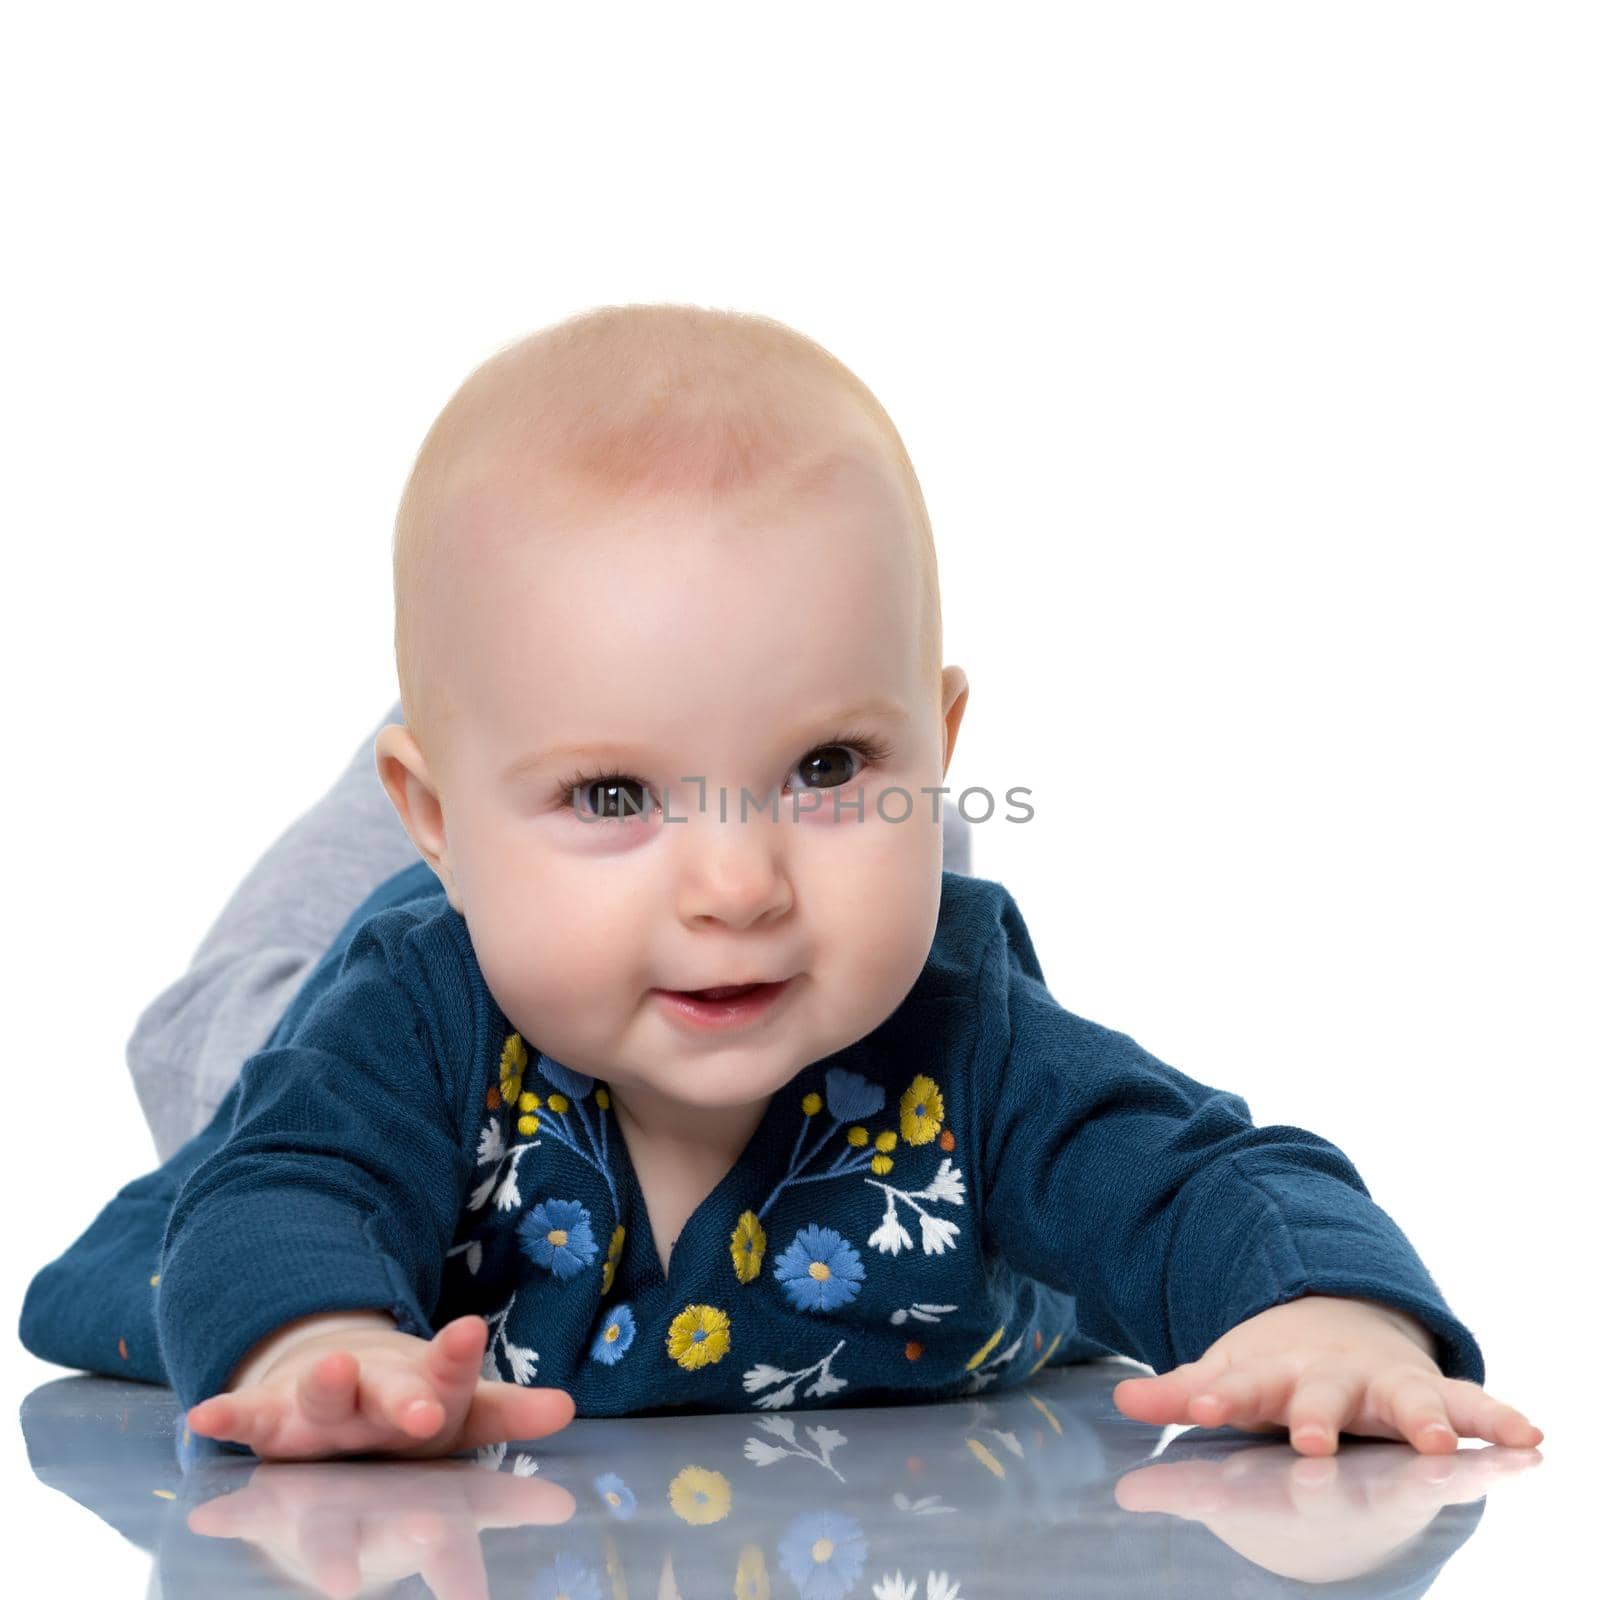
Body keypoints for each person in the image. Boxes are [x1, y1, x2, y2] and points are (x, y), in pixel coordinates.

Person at [20, 303, 1543, 1464]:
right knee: (261, 1081)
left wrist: (1329, 1313)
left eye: (830, 764)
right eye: (613, 788)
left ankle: (706, 765)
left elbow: (1215, 1178)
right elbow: (279, 1198)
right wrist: (323, 1342)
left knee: (862, 910)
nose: (738, 884)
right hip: (378, 996)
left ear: (946, 744)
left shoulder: (975, 1041)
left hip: (793, 932)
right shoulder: (408, 1020)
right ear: (420, 810)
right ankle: (617, 782)